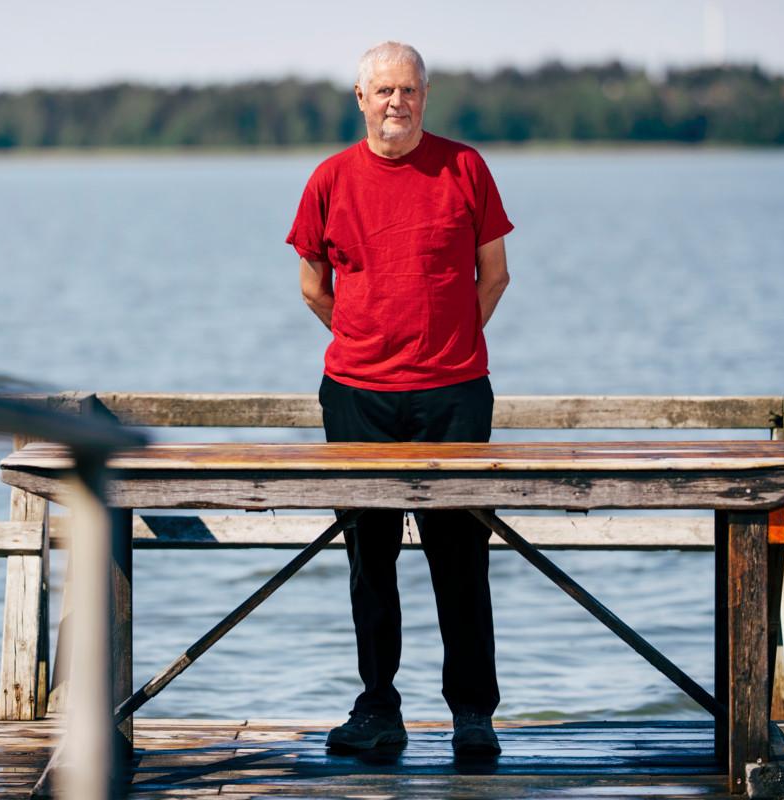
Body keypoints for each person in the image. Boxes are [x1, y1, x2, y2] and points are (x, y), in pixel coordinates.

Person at [286, 41, 513, 758]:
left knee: (461, 557)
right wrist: (370, 342)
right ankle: (378, 709)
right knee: (368, 557)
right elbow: (312, 285)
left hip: (454, 395)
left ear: (424, 97)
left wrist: (442, 344)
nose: (397, 102)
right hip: (358, 397)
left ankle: (473, 716)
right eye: (383, 90)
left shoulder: (465, 167)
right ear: (360, 97)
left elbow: (495, 276)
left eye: (409, 90)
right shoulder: (329, 179)